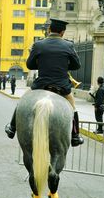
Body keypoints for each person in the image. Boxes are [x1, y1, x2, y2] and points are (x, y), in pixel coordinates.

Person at [5, 18, 84, 147]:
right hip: (62, 87)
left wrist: (42, 63)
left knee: (22, 101)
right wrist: (63, 64)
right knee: (73, 108)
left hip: (41, 85)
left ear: (48, 30)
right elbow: (77, 65)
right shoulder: (68, 45)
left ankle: (12, 128)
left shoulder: (38, 45)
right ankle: (75, 136)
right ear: (62, 32)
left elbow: (30, 65)